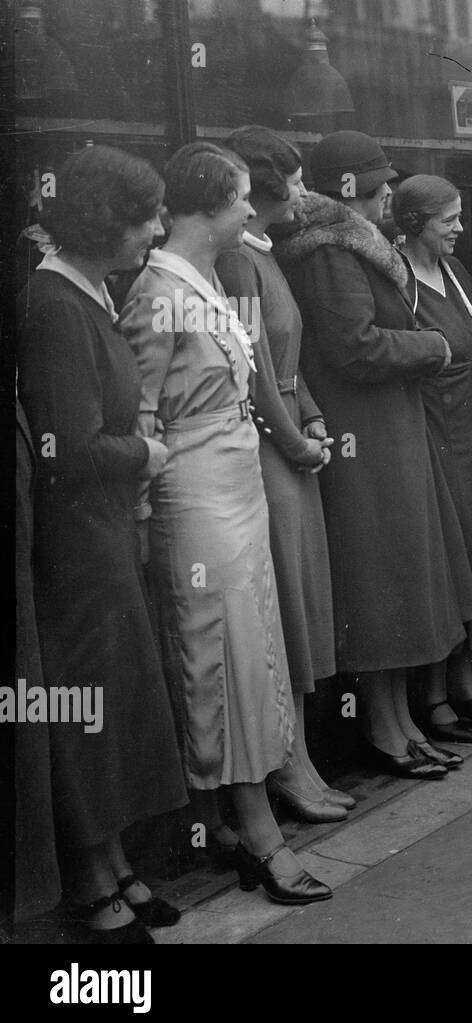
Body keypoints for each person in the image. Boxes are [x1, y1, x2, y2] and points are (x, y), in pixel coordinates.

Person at [119, 142, 330, 906]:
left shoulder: (198, 279)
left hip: (234, 488)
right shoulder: (157, 292)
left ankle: (230, 824)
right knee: (222, 657)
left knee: (250, 650)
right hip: (196, 498)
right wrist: (144, 519)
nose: (253, 208)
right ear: (208, 205)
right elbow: (140, 418)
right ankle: (257, 834)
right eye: (242, 197)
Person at [18, 145, 189, 940]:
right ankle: (91, 881)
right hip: (77, 548)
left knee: (114, 705)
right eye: (146, 216)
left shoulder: (83, 290)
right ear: (102, 222)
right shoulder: (55, 304)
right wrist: (149, 453)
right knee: (91, 710)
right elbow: (70, 449)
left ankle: (116, 861)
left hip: (104, 536)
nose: (158, 228)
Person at [275, 130, 472, 780]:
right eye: (380, 181)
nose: (392, 192)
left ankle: (399, 721)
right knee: (383, 580)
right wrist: (436, 349)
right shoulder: (332, 253)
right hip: (367, 435)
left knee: (397, 578)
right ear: (346, 187)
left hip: (387, 428)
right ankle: (384, 729)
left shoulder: (349, 246)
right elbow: (354, 347)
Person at [214, 127, 351, 824]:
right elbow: (257, 372)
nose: (304, 193)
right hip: (273, 453)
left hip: (294, 442)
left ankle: (301, 759)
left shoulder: (264, 255)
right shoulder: (239, 263)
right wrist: (298, 439)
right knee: (287, 606)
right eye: (295, 181)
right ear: (265, 189)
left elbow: (290, 365)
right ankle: (288, 765)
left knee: (303, 602)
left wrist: (316, 418)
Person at [390, 175, 472, 740]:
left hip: (470, 432)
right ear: (417, 222)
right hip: (426, 433)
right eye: (450, 220)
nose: (461, 229)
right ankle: (434, 697)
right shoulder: (395, 279)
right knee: (441, 564)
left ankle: (469, 687)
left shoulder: (456, 274)